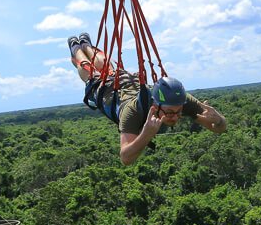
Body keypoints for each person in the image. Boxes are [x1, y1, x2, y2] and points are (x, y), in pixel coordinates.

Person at [69, 32, 227, 165]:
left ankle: (84, 44)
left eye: (179, 112)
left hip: (129, 83)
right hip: (110, 94)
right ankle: (78, 47)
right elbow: (126, 157)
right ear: (156, 104)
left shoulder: (179, 100)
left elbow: (218, 128)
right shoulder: (132, 111)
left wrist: (219, 119)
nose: (175, 116)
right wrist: (146, 134)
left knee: (104, 65)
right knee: (90, 70)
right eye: (170, 112)